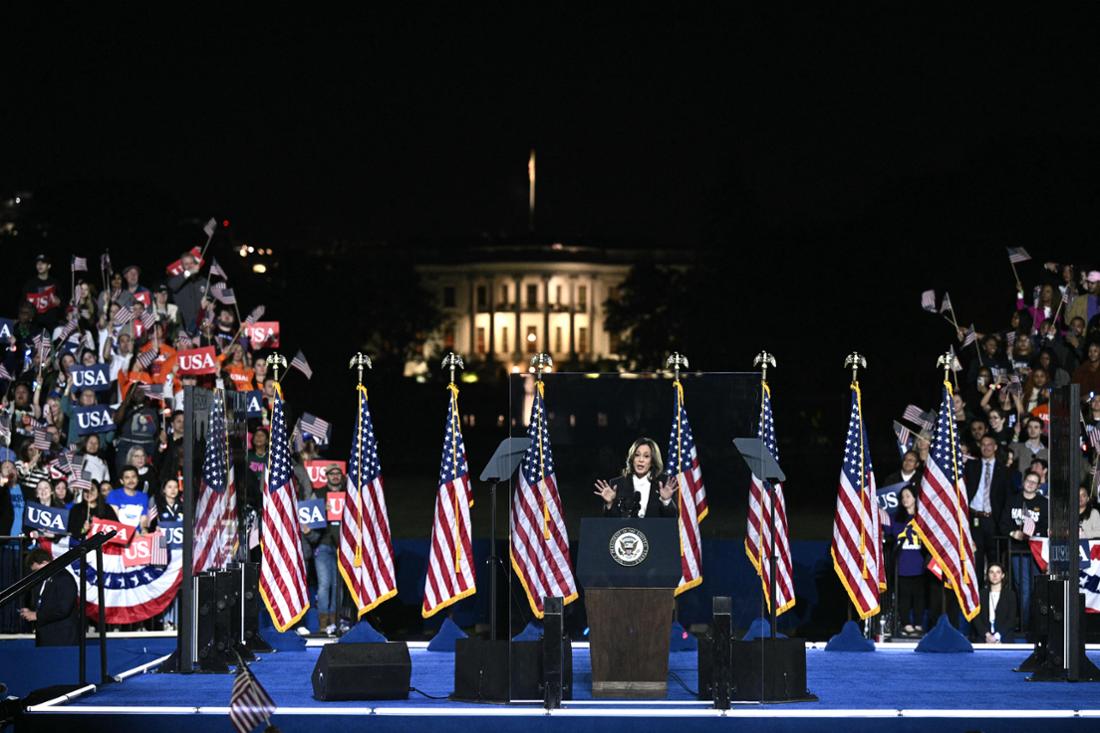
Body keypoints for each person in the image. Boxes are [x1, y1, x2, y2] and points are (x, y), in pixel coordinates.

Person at [1000, 471, 1047, 629]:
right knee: (1023, 588)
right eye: (1029, 481)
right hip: (1016, 550)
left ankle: (1033, 623)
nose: (1031, 484)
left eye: (1035, 482)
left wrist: (1032, 534)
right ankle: (1025, 625)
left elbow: (1046, 527)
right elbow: (1003, 524)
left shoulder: (1043, 503)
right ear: (1023, 481)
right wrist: (1014, 533)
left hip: (1036, 552)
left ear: (1039, 486)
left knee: (1035, 588)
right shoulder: (1013, 500)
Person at [300, 464, 343, 635]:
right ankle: (323, 624)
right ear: (326, 476)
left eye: (337, 473)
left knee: (338, 586)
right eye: (331, 473)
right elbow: (308, 519)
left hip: (343, 546)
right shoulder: (317, 495)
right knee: (325, 584)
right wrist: (322, 512)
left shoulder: (349, 494)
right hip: (322, 544)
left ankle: (336, 622)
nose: (334, 476)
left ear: (341, 476)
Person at [593, 437, 679, 518]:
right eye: (637, 455)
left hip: (654, 532)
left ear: (652, 461)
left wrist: (666, 501)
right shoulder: (617, 484)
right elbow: (610, 523)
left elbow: (672, 520)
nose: (640, 460)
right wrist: (610, 504)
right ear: (632, 458)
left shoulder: (663, 483)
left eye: (646, 456)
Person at [964, 435, 1011, 578]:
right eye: (983, 444)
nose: (986, 447)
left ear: (995, 447)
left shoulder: (1004, 471)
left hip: (993, 520)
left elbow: (1007, 500)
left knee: (994, 561)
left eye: (989, 444)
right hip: (974, 519)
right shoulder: (971, 466)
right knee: (975, 559)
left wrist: (1002, 523)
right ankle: (977, 596)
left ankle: (993, 595)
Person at [18, 548, 80, 646]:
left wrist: (36, 615)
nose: (36, 574)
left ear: (45, 562)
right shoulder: (45, 580)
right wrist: (31, 612)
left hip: (62, 639)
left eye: (37, 570)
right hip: (47, 637)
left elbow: (63, 609)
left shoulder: (64, 578)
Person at [889, 485, 926, 636]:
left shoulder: (922, 517)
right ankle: (906, 624)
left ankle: (918, 624)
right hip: (903, 564)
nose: (905, 499)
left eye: (908, 496)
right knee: (903, 597)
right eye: (903, 497)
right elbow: (894, 533)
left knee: (919, 597)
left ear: (915, 498)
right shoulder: (897, 518)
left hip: (920, 564)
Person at [970, 563, 1017, 644]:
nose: (995, 575)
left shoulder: (1010, 595)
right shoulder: (981, 594)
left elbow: (1011, 619)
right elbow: (976, 618)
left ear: (1002, 575)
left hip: (1004, 638)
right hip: (983, 639)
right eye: (991, 572)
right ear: (987, 575)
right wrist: (987, 635)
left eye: (998, 572)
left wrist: (997, 636)